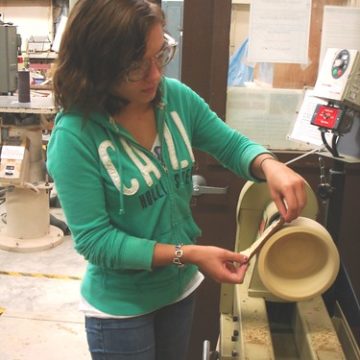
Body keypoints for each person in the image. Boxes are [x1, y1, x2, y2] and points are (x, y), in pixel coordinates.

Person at [47, 0, 307, 359]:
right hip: (122, 310)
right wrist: (190, 254)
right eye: (136, 68)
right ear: (98, 65)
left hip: (179, 291)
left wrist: (269, 165)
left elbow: (229, 144)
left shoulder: (175, 100)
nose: (155, 75)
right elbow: (96, 241)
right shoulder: (75, 136)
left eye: (159, 55)